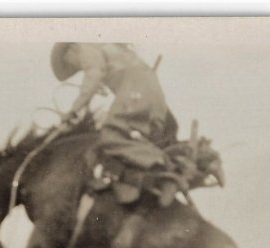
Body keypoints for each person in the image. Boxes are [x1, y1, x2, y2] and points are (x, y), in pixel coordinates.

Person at [50, 43, 181, 206]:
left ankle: (163, 171)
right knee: (133, 136)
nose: (77, 67)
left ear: (70, 51)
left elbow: (93, 75)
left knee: (110, 135)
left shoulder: (85, 48)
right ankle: (167, 167)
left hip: (135, 85)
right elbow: (98, 78)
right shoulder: (107, 50)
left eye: (70, 63)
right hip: (148, 88)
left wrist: (74, 109)